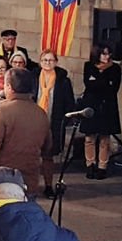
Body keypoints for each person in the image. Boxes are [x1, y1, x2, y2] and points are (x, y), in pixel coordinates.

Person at [0, 68, 53, 192]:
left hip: (3, 178)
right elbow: (48, 147)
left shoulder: (2, 112)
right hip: (29, 179)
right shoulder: (40, 113)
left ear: (9, 87)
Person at [79, 43, 122, 180]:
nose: (107, 56)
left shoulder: (115, 68)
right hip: (91, 104)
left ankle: (102, 166)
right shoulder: (89, 66)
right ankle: (90, 164)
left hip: (107, 105)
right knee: (89, 137)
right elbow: (89, 84)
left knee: (105, 138)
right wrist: (104, 82)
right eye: (104, 54)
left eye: (108, 54)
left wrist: (98, 82)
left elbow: (113, 87)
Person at [35, 50, 75, 198]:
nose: (47, 63)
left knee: (48, 156)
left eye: (51, 60)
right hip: (33, 123)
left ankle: (48, 185)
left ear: (56, 62)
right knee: (30, 156)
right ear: (40, 62)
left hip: (53, 123)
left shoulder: (63, 80)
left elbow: (69, 103)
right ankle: (29, 185)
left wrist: (66, 121)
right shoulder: (33, 78)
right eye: (45, 60)